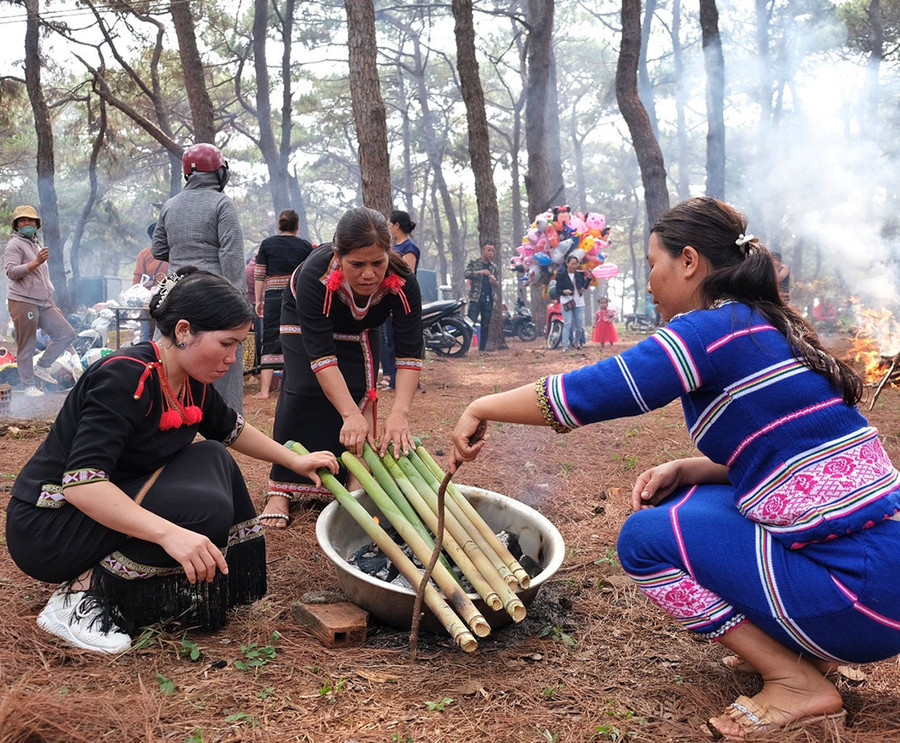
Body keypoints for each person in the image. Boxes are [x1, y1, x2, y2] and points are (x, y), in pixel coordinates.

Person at [451, 197, 900, 739]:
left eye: (653, 265)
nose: (648, 283)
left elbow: (591, 392)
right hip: (882, 578)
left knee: (644, 538)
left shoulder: (708, 330)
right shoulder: (768, 326)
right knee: (687, 504)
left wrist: (481, 406)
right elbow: (799, 458)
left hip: (857, 599)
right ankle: (805, 650)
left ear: (689, 262)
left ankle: (796, 679)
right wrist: (696, 468)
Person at [5, 267, 337, 653]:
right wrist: (169, 534)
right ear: (183, 331)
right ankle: (81, 596)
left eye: (239, 346)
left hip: (114, 499)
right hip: (50, 526)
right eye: (227, 343)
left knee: (214, 457)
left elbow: (230, 430)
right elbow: (83, 485)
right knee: (200, 508)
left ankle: (192, 575)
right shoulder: (125, 378)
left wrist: (294, 461)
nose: (233, 358)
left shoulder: (191, 376)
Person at [261, 207, 423, 528]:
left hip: (362, 325)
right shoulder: (315, 277)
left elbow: (409, 354)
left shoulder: (402, 281)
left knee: (361, 390)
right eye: (357, 264)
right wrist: (347, 414)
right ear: (338, 256)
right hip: (302, 317)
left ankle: (355, 481)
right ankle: (281, 488)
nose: (368, 274)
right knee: (303, 388)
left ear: (389, 254)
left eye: (377, 263)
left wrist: (400, 413)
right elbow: (322, 358)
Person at [152, 143, 246, 413]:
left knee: (168, 354)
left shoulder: (170, 206)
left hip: (175, 292)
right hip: (212, 294)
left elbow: (158, 249)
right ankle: (229, 421)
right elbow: (230, 254)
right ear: (219, 172)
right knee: (226, 357)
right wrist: (239, 304)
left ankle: (165, 414)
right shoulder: (221, 203)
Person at [2, 204, 75, 397]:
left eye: (30, 220)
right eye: (23, 221)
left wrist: (50, 298)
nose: (27, 223)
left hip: (43, 301)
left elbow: (42, 279)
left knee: (66, 333)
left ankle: (42, 366)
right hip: (22, 300)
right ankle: (28, 386)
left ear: (37, 224)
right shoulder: (14, 245)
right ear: (16, 225)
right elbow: (10, 271)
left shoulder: (35, 244)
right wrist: (36, 262)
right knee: (27, 343)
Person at [253, 209, 313, 399]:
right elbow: (310, 273)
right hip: (297, 295)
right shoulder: (305, 246)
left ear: (279, 225)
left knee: (270, 336)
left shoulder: (267, 244)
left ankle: (264, 391)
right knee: (297, 335)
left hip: (273, 297)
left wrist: (258, 300)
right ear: (297, 226)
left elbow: (259, 274)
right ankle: (296, 385)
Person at [380, 209, 420, 390]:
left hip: (403, 299)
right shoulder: (392, 247)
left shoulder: (408, 248)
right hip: (389, 297)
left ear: (397, 226)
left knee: (402, 339)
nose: (389, 229)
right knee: (389, 339)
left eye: (389, 225)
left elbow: (407, 275)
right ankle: (392, 376)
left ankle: (406, 379)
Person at [133, 223, 169, 341]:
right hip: (154, 300)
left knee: (152, 332)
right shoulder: (145, 254)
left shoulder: (145, 254)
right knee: (151, 331)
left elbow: (137, 278)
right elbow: (137, 279)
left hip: (160, 299)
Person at [465, 243, 500, 354]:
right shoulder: (474, 263)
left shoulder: (493, 267)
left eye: (492, 251)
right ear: (483, 251)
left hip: (488, 299)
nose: (491, 253)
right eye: (489, 250)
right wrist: (480, 272)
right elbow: (466, 274)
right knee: (470, 323)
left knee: (485, 324)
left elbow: (497, 284)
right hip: (475, 298)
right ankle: (465, 349)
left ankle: (482, 350)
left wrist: (494, 281)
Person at [554, 254, 589, 351]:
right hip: (567, 302)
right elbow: (558, 290)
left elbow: (584, 287)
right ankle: (565, 345)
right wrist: (564, 291)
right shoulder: (561, 275)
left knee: (579, 325)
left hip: (579, 302)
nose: (574, 266)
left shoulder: (580, 274)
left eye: (576, 264)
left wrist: (589, 278)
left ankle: (576, 342)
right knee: (568, 323)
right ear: (567, 264)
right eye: (572, 264)